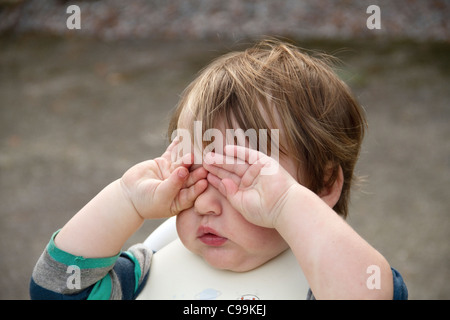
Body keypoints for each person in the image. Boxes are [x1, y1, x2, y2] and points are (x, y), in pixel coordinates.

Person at [30, 39, 408, 300]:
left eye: (238, 176)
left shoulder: (327, 282)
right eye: (192, 170)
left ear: (323, 185)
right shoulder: (146, 271)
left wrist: (287, 205)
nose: (206, 204)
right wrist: (129, 199)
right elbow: (54, 289)